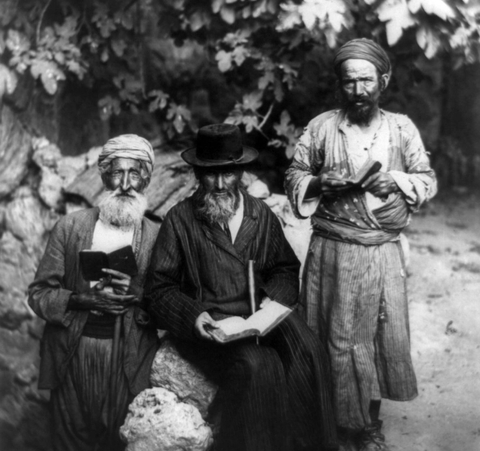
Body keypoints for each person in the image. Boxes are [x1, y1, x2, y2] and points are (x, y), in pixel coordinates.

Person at [145, 123, 338, 451]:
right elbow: (158, 289)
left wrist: (272, 304)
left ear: (241, 172)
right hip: (215, 329)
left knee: (308, 348)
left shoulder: (259, 214)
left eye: (229, 173)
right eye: (210, 174)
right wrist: (194, 317)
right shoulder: (180, 220)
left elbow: (285, 269)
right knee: (259, 366)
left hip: (259, 317)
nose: (220, 184)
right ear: (197, 174)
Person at [284, 38, 437, 451]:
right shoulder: (320, 127)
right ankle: (331, 426)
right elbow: (294, 173)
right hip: (332, 248)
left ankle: (368, 425)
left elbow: (427, 179)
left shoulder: (401, 128)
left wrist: (399, 181)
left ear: (382, 80)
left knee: (369, 337)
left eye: (366, 80)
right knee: (329, 335)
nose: (358, 91)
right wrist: (317, 182)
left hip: (379, 251)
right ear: (339, 85)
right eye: (349, 82)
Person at [28, 134, 160, 451]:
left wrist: (139, 294)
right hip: (72, 353)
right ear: (104, 175)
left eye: (135, 173)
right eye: (117, 172)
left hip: (129, 357)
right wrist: (82, 299)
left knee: (119, 439)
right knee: (70, 440)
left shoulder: (158, 234)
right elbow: (39, 294)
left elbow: (170, 301)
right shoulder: (70, 227)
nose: (125, 183)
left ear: (146, 179)